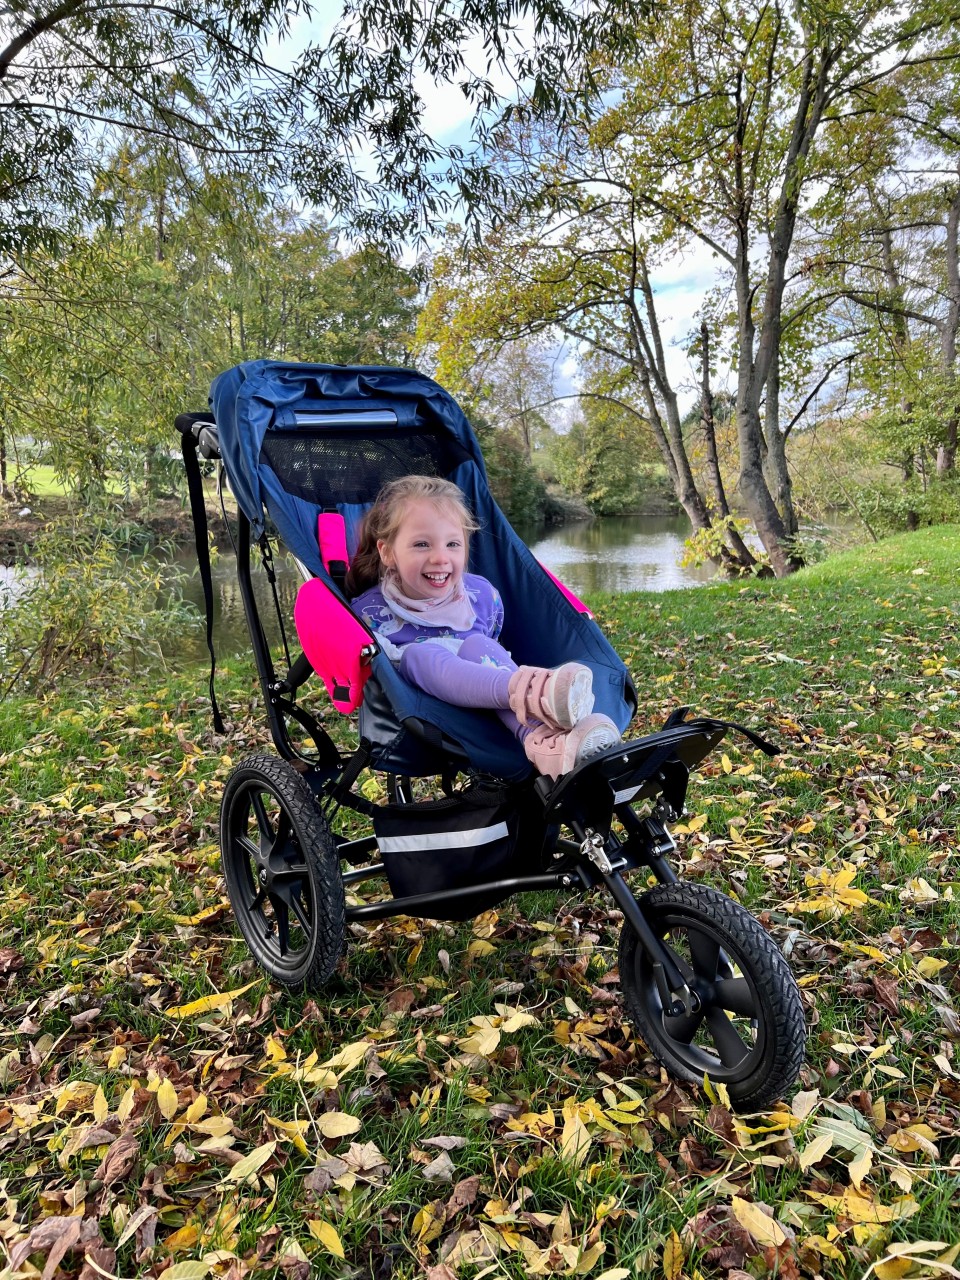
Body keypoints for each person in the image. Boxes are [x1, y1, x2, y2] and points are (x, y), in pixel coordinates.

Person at [346, 475, 621, 778]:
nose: (441, 557)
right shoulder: (369, 611)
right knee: (418, 656)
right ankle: (534, 695)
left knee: (480, 645)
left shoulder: (480, 596)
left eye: (453, 544)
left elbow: (490, 644)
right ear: (387, 553)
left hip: (486, 692)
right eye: (421, 544)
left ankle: (547, 741)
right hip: (423, 707)